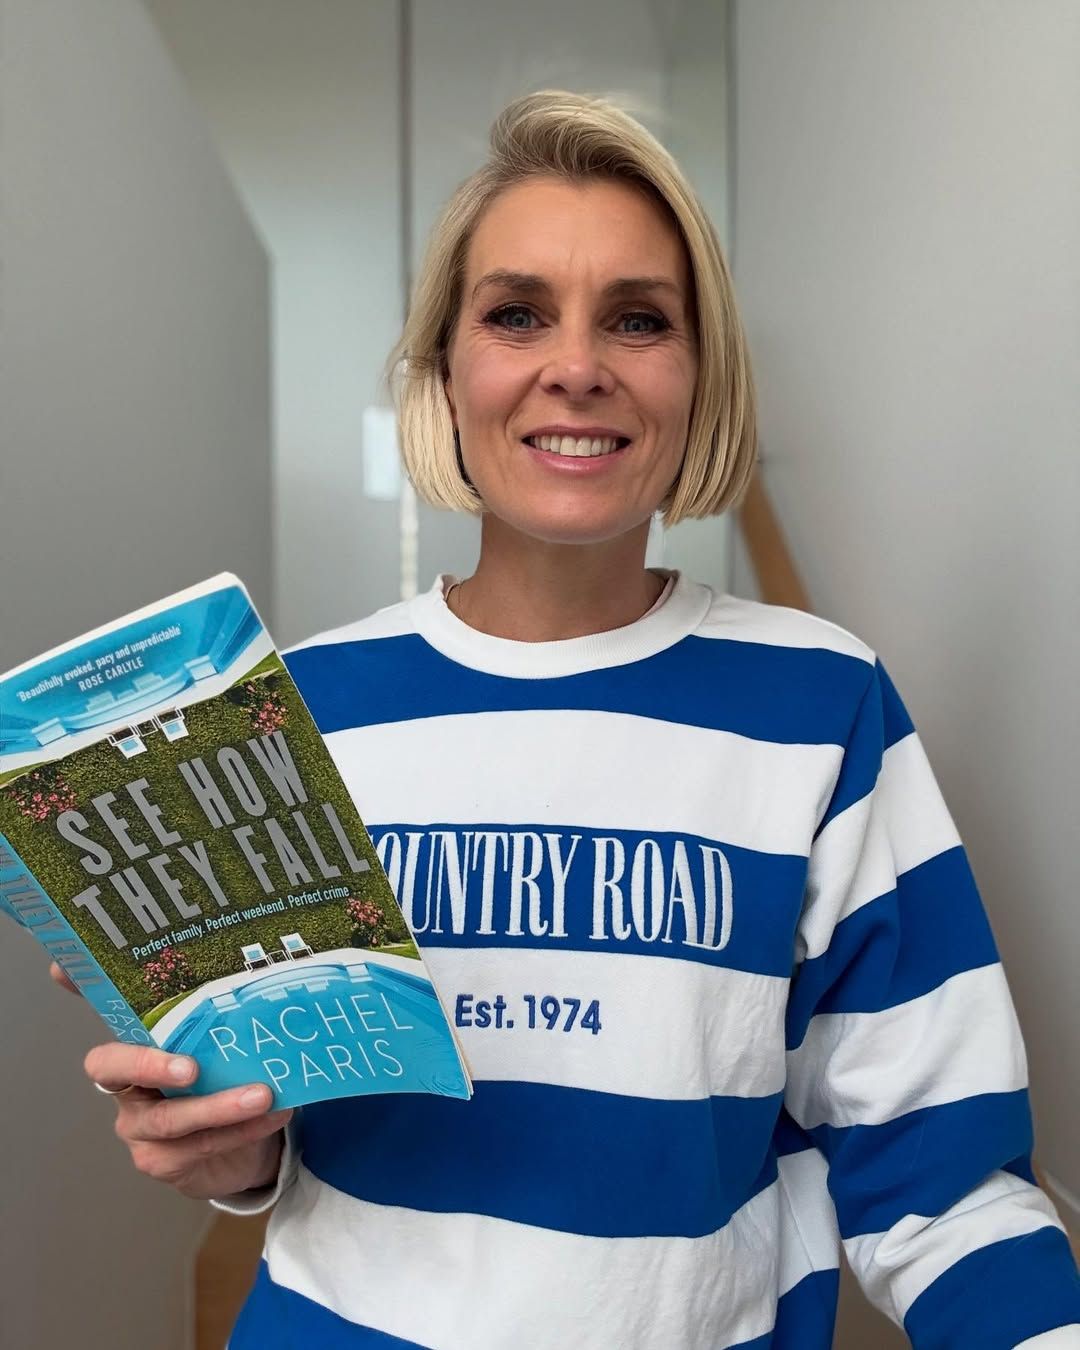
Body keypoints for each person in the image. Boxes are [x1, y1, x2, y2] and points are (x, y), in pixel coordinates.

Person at [65, 90, 1079, 1349]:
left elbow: (941, 1183)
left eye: (639, 319)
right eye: (516, 313)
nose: (578, 365)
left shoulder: (823, 706)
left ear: (700, 377)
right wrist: (231, 1147)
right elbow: (285, 1128)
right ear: (447, 371)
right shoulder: (304, 714)